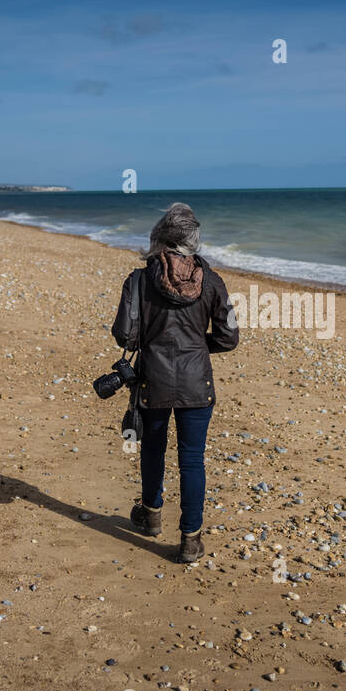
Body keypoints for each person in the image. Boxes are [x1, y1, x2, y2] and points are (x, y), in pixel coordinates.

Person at [110, 203, 238, 562]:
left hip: (153, 380)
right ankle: (190, 541)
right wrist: (198, 347)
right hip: (198, 384)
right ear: (194, 241)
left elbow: (125, 336)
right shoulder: (212, 281)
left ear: (161, 237)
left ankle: (151, 517)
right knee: (192, 460)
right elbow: (229, 338)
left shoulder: (139, 280)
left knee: (152, 450)